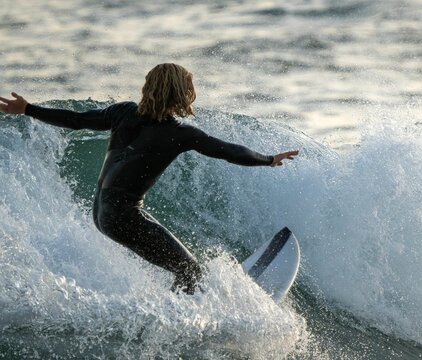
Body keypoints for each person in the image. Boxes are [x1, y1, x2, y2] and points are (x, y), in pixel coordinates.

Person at [0, 63, 298, 294]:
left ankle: (182, 305)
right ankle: (180, 317)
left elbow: (76, 120)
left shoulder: (123, 113)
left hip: (101, 212)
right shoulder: (179, 133)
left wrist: (28, 109)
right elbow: (227, 151)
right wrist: (268, 159)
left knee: (186, 269)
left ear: (149, 87)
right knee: (190, 271)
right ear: (182, 94)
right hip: (123, 217)